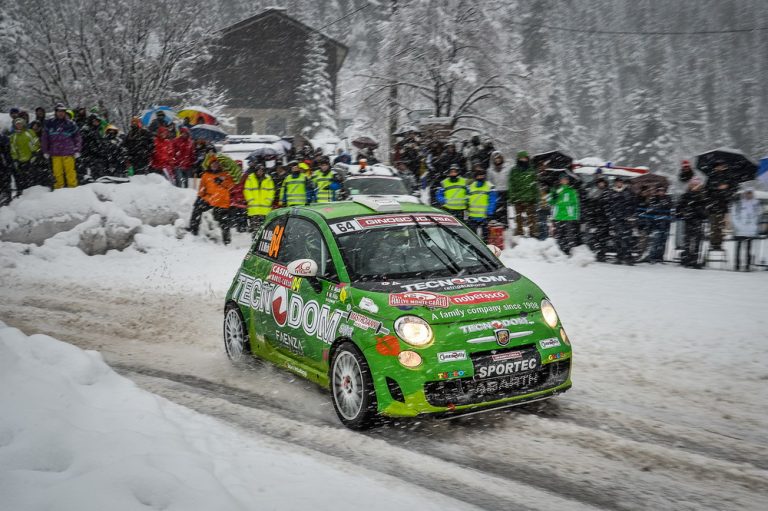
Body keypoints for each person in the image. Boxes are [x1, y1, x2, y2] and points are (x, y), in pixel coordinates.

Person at [188, 157, 234, 244]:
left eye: (217, 164)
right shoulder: (206, 175)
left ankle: (227, 241)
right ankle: (193, 230)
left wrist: (222, 181)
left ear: (219, 165)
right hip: (210, 199)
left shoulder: (225, 174)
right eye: (213, 164)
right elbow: (202, 189)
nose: (215, 165)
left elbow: (231, 186)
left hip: (222, 201)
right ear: (210, 165)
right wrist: (199, 197)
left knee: (224, 221)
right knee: (197, 207)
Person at [42, 103, 81, 189]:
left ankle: (73, 189)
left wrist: (77, 150)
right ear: (55, 112)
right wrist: (45, 151)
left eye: (62, 111)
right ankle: (59, 190)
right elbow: (45, 138)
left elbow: (77, 138)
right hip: (55, 153)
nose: (61, 113)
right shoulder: (50, 123)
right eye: (59, 111)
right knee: (57, 173)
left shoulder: (71, 124)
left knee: (70, 172)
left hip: (68, 153)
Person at [677, 177, 708, 269]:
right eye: (693, 184)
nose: (695, 186)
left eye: (697, 185)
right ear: (690, 185)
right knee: (688, 240)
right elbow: (679, 207)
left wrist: (703, 213)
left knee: (697, 241)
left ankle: (695, 260)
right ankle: (687, 259)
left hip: (698, 220)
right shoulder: (686, 195)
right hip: (689, 220)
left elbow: (705, 209)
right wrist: (684, 213)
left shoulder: (702, 195)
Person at [704, 161, 735, 251]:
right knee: (714, 225)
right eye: (718, 166)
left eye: (721, 166)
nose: (720, 168)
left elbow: (733, 188)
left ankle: (719, 243)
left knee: (721, 226)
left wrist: (727, 190)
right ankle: (713, 243)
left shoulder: (728, 177)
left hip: (723, 204)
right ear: (715, 168)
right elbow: (707, 190)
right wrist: (717, 188)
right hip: (713, 205)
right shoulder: (711, 177)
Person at [507, 150, 539, 237]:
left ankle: (533, 233)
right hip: (518, 197)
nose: (523, 160)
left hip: (530, 198)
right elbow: (511, 185)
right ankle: (519, 233)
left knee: (532, 218)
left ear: (527, 159)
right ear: (518, 159)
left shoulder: (531, 170)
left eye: (524, 158)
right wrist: (512, 196)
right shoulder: (514, 170)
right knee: (518, 218)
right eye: (521, 158)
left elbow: (535, 185)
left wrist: (536, 197)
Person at [549, 173, 580, 255]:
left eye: (565, 179)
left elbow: (575, 204)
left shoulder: (571, 191)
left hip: (568, 216)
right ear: (560, 181)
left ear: (568, 181)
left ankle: (568, 251)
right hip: (558, 216)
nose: (564, 181)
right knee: (559, 235)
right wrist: (553, 196)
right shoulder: (555, 189)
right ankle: (561, 251)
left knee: (569, 235)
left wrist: (576, 216)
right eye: (562, 179)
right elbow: (550, 202)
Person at [639, 186, 673, 264]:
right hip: (656, 223)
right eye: (660, 191)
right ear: (657, 192)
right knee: (655, 241)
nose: (661, 192)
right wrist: (660, 206)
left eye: (663, 191)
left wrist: (662, 206)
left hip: (665, 223)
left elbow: (670, 207)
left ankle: (660, 257)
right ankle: (652, 256)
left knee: (663, 241)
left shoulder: (668, 199)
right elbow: (651, 209)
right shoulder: (654, 199)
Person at [730, 188, 761, 271]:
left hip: (750, 230)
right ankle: (737, 265)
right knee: (738, 247)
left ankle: (747, 265)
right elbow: (734, 215)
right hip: (739, 230)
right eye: (747, 193)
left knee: (749, 248)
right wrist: (738, 225)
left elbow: (758, 216)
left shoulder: (756, 204)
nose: (748, 195)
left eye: (750, 193)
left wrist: (754, 225)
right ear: (744, 194)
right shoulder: (738, 203)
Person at [607, 177, 635, 264]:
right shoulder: (611, 192)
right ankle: (619, 256)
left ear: (622, 183)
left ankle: (628, 257)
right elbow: (608, 206)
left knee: (627, 238)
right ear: (615, 183)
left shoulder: (628, 192)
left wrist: (631, 215)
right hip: (616, 218)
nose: (619, 183)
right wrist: (611, 217)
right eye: (617, 182)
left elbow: (633, 205)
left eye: (620, 182)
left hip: (626, 218)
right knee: (618, 238)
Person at [9, 118, 40, 196]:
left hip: (31, 158)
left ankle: (35, 193)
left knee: (33, 176)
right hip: (20, 160)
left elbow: (36, 142)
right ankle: (23, 194)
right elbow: (13, 148)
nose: (19, 125)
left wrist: (35, 152)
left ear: (23, 124)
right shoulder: (13, 136)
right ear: (15, 125)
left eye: (20, 123)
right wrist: (15, 159)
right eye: (17, 124)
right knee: (22, 178)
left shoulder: (29, 132)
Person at [243, 163, 275, 233]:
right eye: (259, 170)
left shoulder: (268, 179)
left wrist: (268, 200)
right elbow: (247, 190)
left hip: (265, 209)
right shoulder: (250, 178)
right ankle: (255, 239)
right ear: (256, 171)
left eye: (262, 170)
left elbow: (271, 191)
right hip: (254, 209)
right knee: (255, 230)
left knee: (265, 230)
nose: (260, 172)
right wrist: (251, 200)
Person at [466, 168, 496, 242]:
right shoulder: (471, 186)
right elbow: (467, 200)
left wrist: (490, 212)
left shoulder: (490, 186)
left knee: (485, 238)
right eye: (478, 176)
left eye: (482, 175)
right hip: (473, 216)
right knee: (473, 237)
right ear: (475, 177)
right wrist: (467, 213)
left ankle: (485, 246)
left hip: (484, 216)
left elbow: (492, 201)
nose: (480, 177)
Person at [586, 178, 610, 261]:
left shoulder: (608, 192)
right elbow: (590, 206)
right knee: (595, 237)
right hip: (596, 218)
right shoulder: (594, 192)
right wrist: (591, 219)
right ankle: (598, 253)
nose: (601, 184)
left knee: (604, 237)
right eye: (600, 183)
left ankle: (602, 254)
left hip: (605, 219)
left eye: (602, 183)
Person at [486, 151, 509, 227]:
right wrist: (491, 190)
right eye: (496, 158)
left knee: (504, 209)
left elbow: (508, 179)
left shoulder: (506, 169)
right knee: (496, 209)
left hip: (505, 190)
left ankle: (504, 224)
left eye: (499, 158)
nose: (498, 160)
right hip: (495, 191)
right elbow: (489, 181)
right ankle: (497, 224)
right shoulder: (490, 170)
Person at [79, 114, 105, 180]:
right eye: (95, 121)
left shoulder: (96, 130)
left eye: (98, 121)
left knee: (100, 165)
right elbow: (84, 142)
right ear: (91, 121)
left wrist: (102, 148)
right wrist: (93, 148)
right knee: (94, 166)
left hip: (96, 154)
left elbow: (100, 141)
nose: (97, 123)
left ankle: (99, 177)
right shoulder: (86, 129)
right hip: (88, 154)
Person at [0, 133, 12, 205]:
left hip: (4, 163)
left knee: (5, 179)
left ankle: (7, 196)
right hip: (3, 162)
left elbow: (8, 149)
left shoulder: (3, 138)